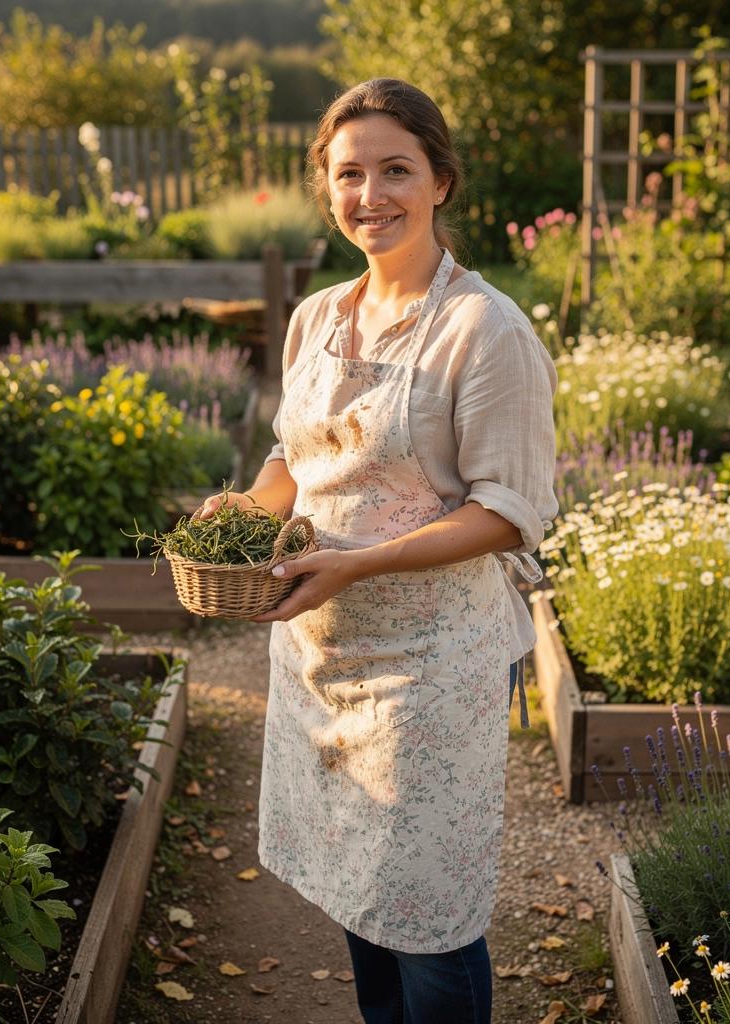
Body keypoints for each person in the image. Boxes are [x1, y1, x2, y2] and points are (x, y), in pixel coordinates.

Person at [194, 77, 559, 1024]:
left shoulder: (485, 330)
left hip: (432, 661)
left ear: (440, 180)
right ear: (326, 188)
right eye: (350, 173)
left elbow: (509, 514)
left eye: (396, 170)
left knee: (431, 914)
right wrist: (240, 508)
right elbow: (295, 459)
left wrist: (356, 560)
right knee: (362, 885)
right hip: (321, 654)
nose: (372, 195)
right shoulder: (319, 318)